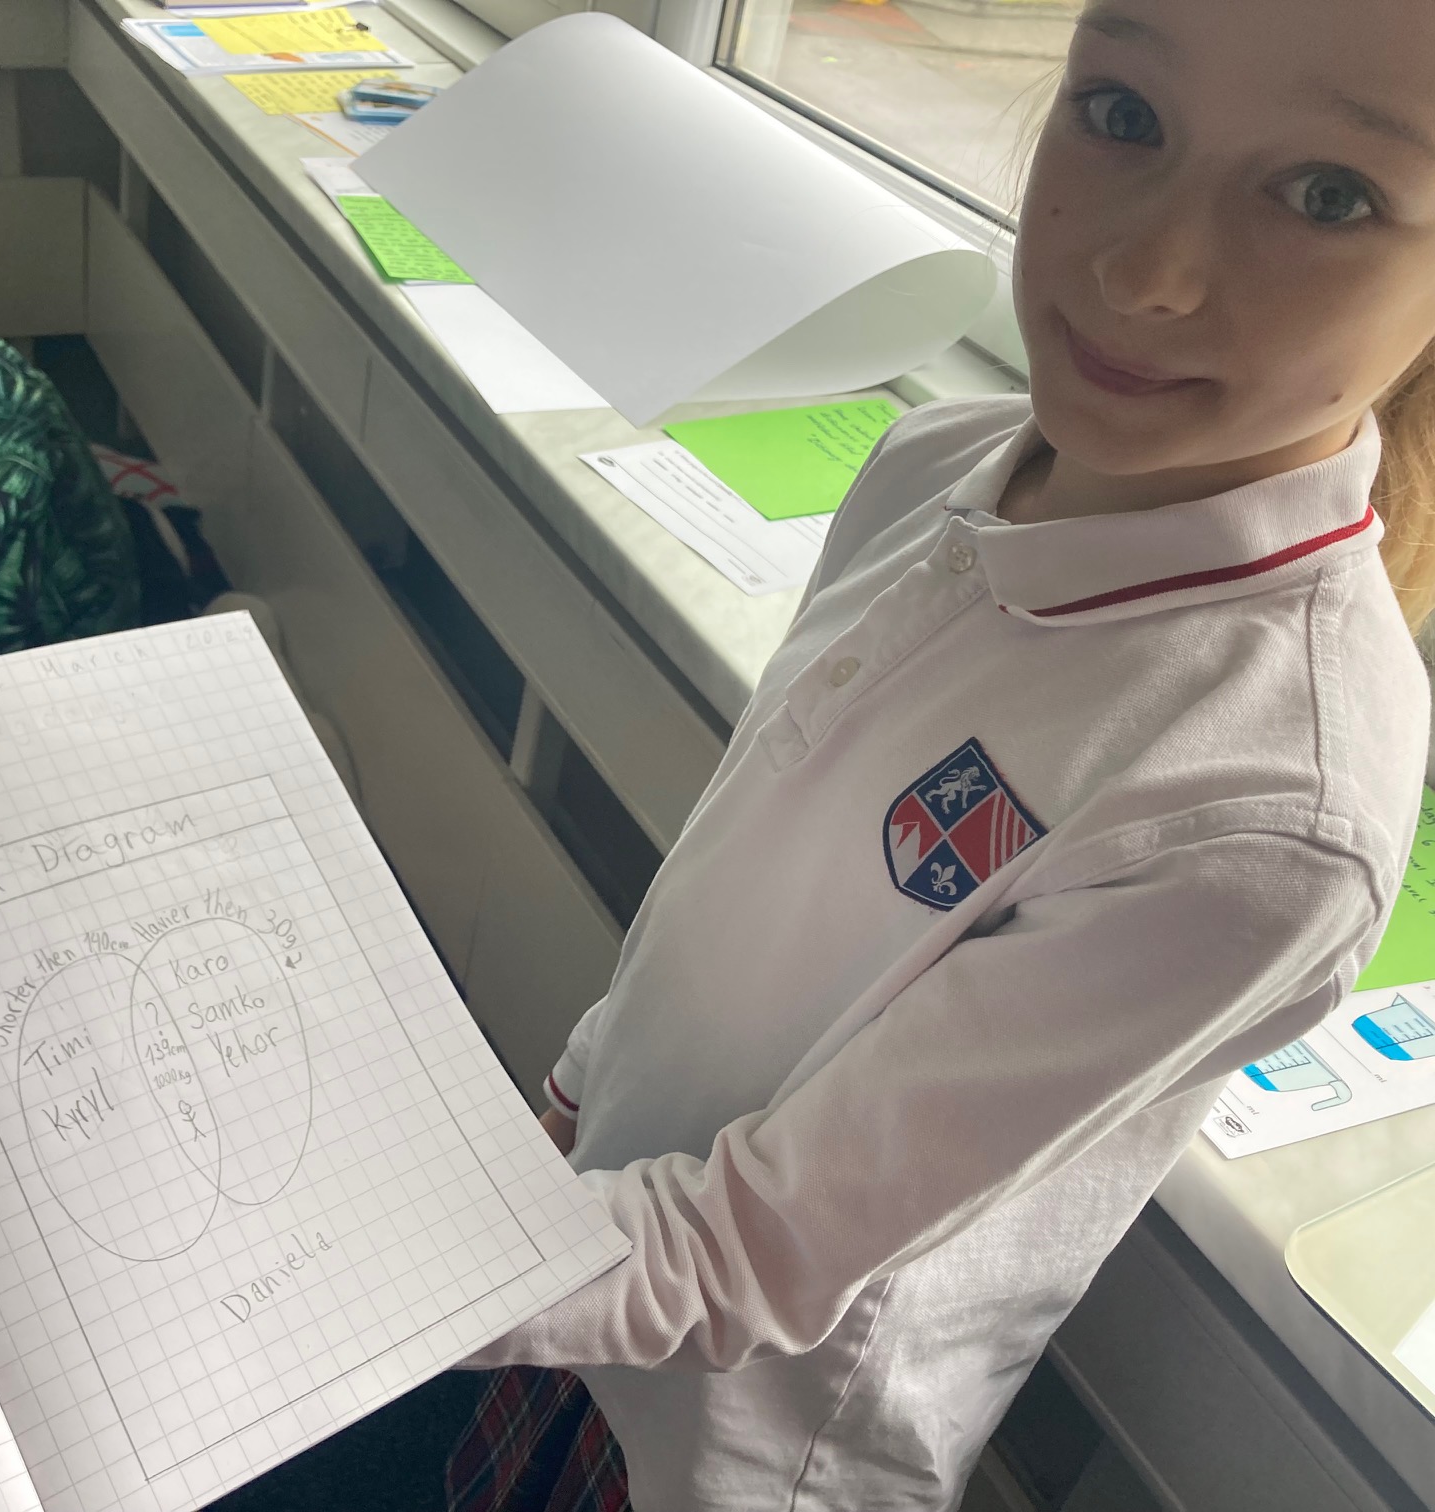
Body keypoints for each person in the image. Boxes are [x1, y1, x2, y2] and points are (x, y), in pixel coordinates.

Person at [448, 0, 1435, 1507]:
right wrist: (579, 1098)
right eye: (1122, 114)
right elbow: (730, 884)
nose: (1146, 273)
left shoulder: (1269, 808)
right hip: (587, 1256)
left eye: (1327, 195)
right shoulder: (936, 459)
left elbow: (758, 1252)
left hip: (733, 1443)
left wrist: (384, 1272)